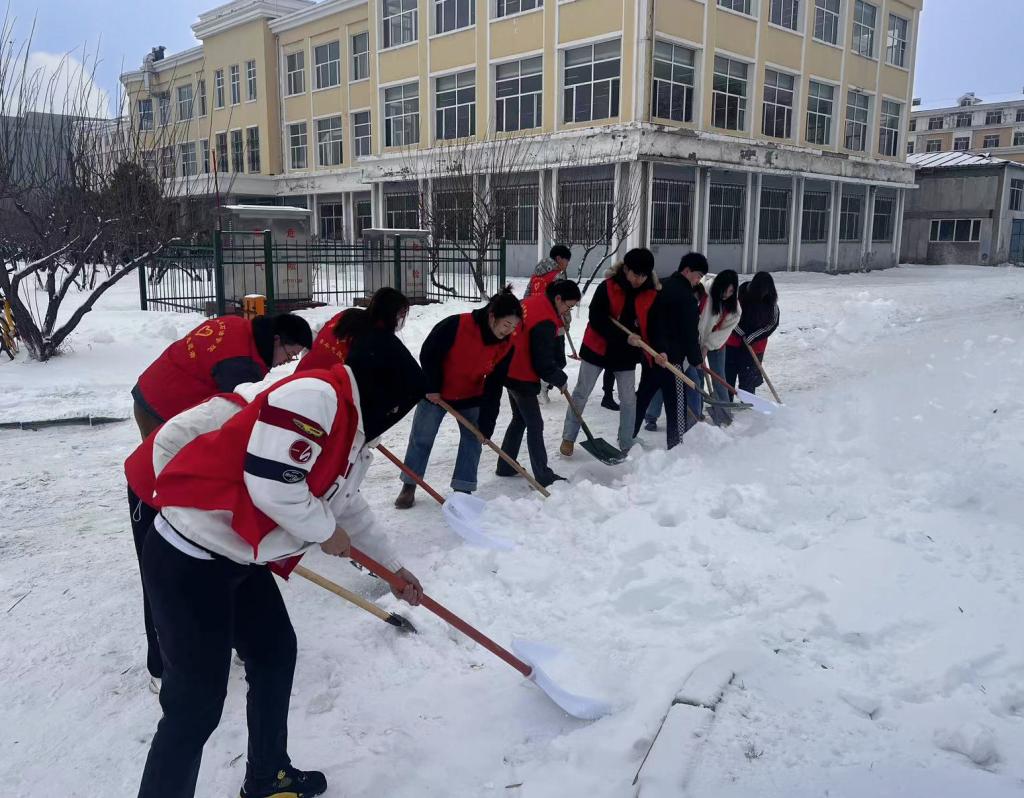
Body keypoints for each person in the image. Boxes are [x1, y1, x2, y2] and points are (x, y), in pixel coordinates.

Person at [137, 329, 426, 798]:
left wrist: (392, 568)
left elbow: (347, 506)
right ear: (388, 398)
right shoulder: (315, 399)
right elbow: (273, 485)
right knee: (195, 706)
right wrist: (324, 532)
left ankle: (267, 776)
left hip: (237, 558)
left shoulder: (350, 429)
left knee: (274, 653)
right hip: (190, 556)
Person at [395, 288, 523, 508]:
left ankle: (463, 490)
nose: (509, 331)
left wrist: (487, 425)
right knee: (422, 438)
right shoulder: (457, 325)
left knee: (473, 440)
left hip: (470, 395)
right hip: (437, 394)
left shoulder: (506, 345)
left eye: (514, 327)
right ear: (493, 316)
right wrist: (433, 386)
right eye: (506, 325)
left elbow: (494, 385)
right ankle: (410, 484)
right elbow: (429, 352)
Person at [132, 313, 313, 438]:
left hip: (152, 385)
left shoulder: (239, 326)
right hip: (160, 405)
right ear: (276, 340)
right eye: (290, 354)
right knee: (153, 471)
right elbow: (239, 417)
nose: (288, 361)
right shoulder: (240, 364)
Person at [560, 248, 658, 457]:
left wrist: (654, 346)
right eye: (635, 274)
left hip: (626, 354)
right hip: (598, 347)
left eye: (644, 275)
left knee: (629, 399)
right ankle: (568, 437)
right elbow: (596, 318)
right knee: (581, 392)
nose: (639, 279)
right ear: (626, 269)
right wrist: (625, 336)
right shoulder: (608, 287)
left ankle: (626, 441)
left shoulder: (650, 293)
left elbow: (652, 324)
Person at [498, 280, 581, 487]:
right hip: (521, 374)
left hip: (507, 367)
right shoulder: (545, 319)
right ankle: (542, 474)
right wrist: (559, 378)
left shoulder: (533, 301)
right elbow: (542, 363)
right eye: (567, 306)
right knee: (535, 424)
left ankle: (505, 465)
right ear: (558, 298)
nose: (566, 311)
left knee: (520, 419)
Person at [634, 252, 705, 450]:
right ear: (687, 270)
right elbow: (690, 333)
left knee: (642, 399)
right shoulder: (687, 298)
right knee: (676, 404)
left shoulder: (660, 286)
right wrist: (696, 359)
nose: (698, 280)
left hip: (651, 355)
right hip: (672, 359)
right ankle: (676, 444)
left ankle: (626, 437)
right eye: (698, 275)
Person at [297, 287, 409, 372]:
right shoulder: (377, 338)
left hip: (300, 378)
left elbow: (313, 334)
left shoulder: (348, 314)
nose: (402, 319)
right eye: (401, 314)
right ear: (390, 314)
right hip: (328, 390)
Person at [726, 271, 780, 396]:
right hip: (733, 342)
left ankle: (748, 403)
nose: (764, 294)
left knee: (749, 378)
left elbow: (772, 323)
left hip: (755, 346)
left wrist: (753, 337)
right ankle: (726, 401)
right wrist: (741, 333)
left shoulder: (771, 302)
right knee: (729, 374)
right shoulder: (741, 294)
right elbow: (730, 316)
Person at [698, 270, 741, 425]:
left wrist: (708, 346)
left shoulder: (734, 308)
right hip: (695, 340)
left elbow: (725, 331)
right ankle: (697, 411)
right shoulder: (704, 292)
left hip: (716, 342)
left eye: (731, 291)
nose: (727, 294)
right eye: (725, 290)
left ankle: (723, 414)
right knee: (697, 377)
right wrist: (699, 346)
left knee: (719, 377)